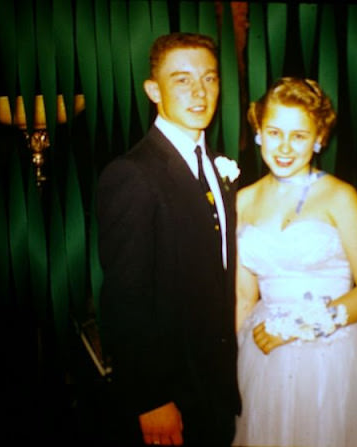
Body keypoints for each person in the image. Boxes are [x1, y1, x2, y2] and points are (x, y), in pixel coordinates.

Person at [232, 77, 357, 447]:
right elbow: (243, 297)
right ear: (258, 131)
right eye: (274, 132)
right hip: (265, 356)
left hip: (338, 352)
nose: (284, 147)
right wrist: (238, 367)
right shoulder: (242, 201)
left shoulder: (341, 198)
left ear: (318, 138)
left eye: (299, 136)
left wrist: (297, 327)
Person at [96, 32, 242, 446]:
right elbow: (126, 299)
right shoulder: (132, 175)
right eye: (182, 80)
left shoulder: (218, 165)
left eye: (210, 79)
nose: (200, 92)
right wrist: (150, 398)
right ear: (153, 90)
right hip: (172, 392)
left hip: (219, 383)